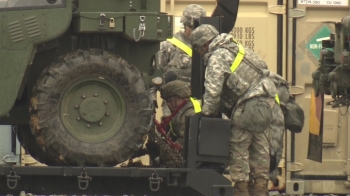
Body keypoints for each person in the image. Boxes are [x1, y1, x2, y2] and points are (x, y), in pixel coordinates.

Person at [189, 24, 282, 195]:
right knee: (261, 151)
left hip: (246, 106)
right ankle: (260, 190)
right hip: (266, 104)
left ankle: (241, 190)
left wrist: (206, 113)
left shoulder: (217, 56)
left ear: (203, 44)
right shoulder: (239, 48)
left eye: (198, 49)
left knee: (239, 152)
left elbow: (213, 90)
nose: (200, 53)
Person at [156, 4, 206, 117]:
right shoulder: (169, 45)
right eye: (191, 28)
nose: (194, 32)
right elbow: (154, 77)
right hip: (174, 109)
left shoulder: (207, 45)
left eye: (198, 28)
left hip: (201, 107)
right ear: (184, 25)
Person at [158, 80, 201, 167]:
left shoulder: (189, 113)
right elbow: (170, 137)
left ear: (180, 97)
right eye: (166, 101)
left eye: (170, 100)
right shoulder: (179, 112)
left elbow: (184, 142)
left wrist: (164, 151)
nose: (168, 104)